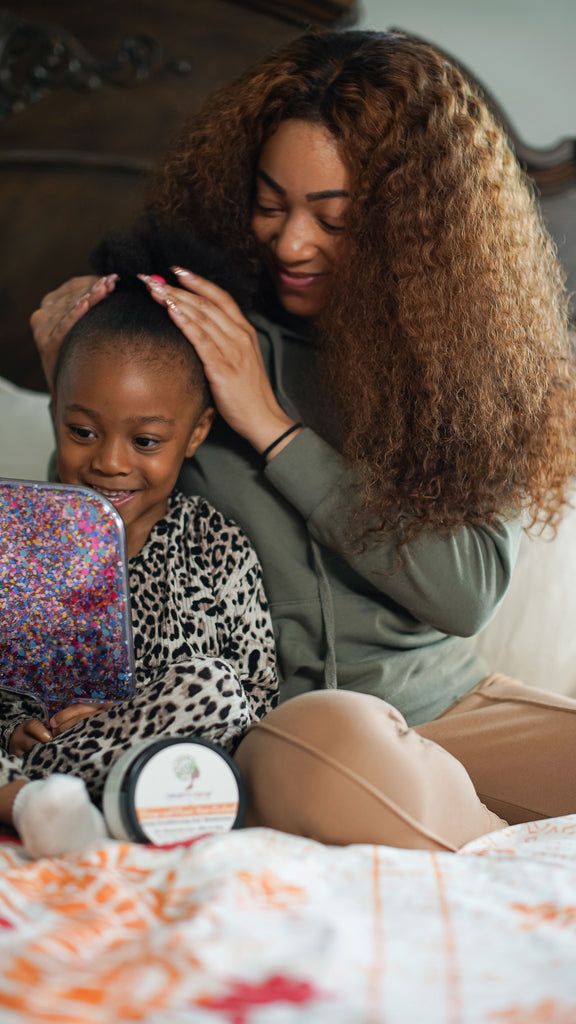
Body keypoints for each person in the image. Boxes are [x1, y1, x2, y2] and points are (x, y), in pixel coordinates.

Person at [30, 30, 576, 849]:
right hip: (292, 736)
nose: (290, 243)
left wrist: (272, 427)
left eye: (333, 216)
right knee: (346, 751)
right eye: (271, 202)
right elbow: (92, 544)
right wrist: (77, 367)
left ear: (412, 224)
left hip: (453, 706)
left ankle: (477, 834)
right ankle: (513, 855)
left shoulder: (465, 362)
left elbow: (463, 595)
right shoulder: (188, 342)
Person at [0, 220, 277, 858]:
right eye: (83, 431)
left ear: (197, 433)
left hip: (171, 777)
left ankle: (32, 795)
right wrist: (20, 726)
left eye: (145, 441)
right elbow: (10, 683)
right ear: (56, 415)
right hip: (39, 752)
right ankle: (40, 794)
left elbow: (254, 699)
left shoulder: (216, 547)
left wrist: (122, 724)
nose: (110, 464)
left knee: (211, 687)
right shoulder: (34, 546)